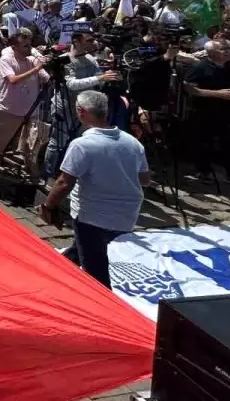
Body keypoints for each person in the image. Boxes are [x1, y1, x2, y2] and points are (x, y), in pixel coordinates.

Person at [39, 90, 149, 289]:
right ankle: (56, 276)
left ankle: (105, 308)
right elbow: (144, 179)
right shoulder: (133, 143)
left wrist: (48, 206)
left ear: (81, 112)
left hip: (92, 216)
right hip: (126, 215)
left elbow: (64, 183)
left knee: (95, 269)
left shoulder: (82, 145)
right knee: (83, 248)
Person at [44, 31, 123, 178]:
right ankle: (49, 174)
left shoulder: (90, 59)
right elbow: (71, 84)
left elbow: (99, 80)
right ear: (76, 41)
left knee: (80, 142)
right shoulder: (65, 60)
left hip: (85, 108)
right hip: (65, 107)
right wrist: (99, 78)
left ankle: (71, 174)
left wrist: (110, 76)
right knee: (57, 143)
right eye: (89, 40)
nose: (93, 43)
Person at [0, 28, 49, 183]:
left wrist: (47, 67)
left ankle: (33, 175)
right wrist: (36, 69)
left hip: (31, 112)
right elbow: (13, 80)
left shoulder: (32, 60)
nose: (30, 49)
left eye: (30, 45)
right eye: (25, 46)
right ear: (14, 47)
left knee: (30, 146)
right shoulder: (6, 60)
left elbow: (46, 79)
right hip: (9, 111)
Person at [182, 38, 230, 181]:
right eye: (223, 49)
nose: (228, 51)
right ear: (211, 52)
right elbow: (189, 88)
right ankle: (203, 171)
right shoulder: (199, 67)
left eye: (229, 48)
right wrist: (218, 94)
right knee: (204, 143)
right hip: (205, 111)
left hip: (229, 110)